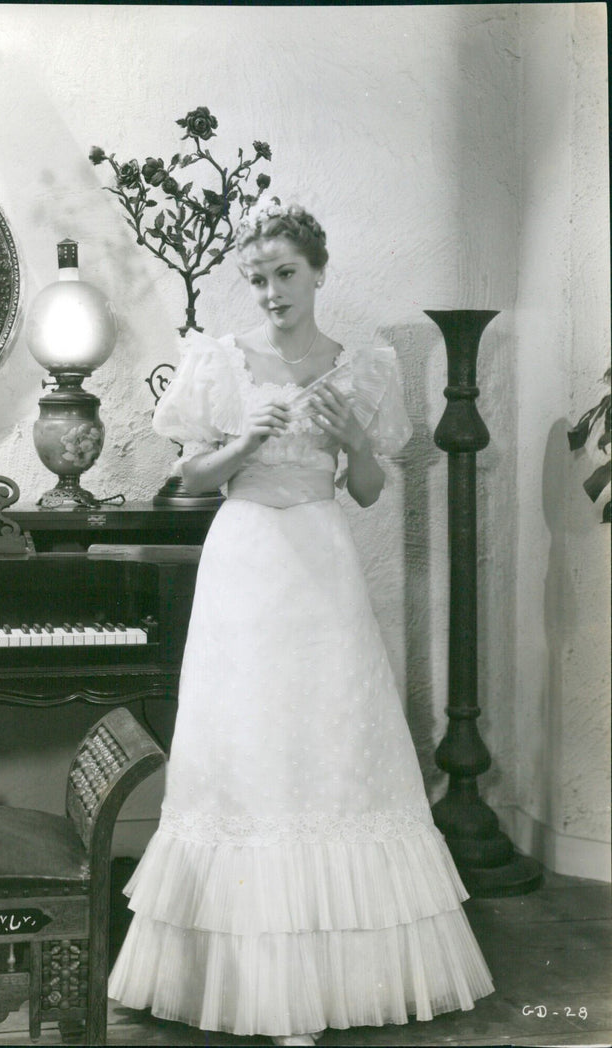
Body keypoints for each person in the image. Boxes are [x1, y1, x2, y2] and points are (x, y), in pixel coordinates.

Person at [108, 200, 493, 1045]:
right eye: (258, 279)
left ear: (319, 272)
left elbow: (365, 489)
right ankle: (235, 976)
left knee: (329, 742)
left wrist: (354, 436)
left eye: (286, 275)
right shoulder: (220, 359)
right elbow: (190, 481)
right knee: (246, 747)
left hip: (320, 560)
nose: (273, 292)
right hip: (245, 561)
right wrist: (243, 440)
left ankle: (334, 978)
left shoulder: (361, 366)